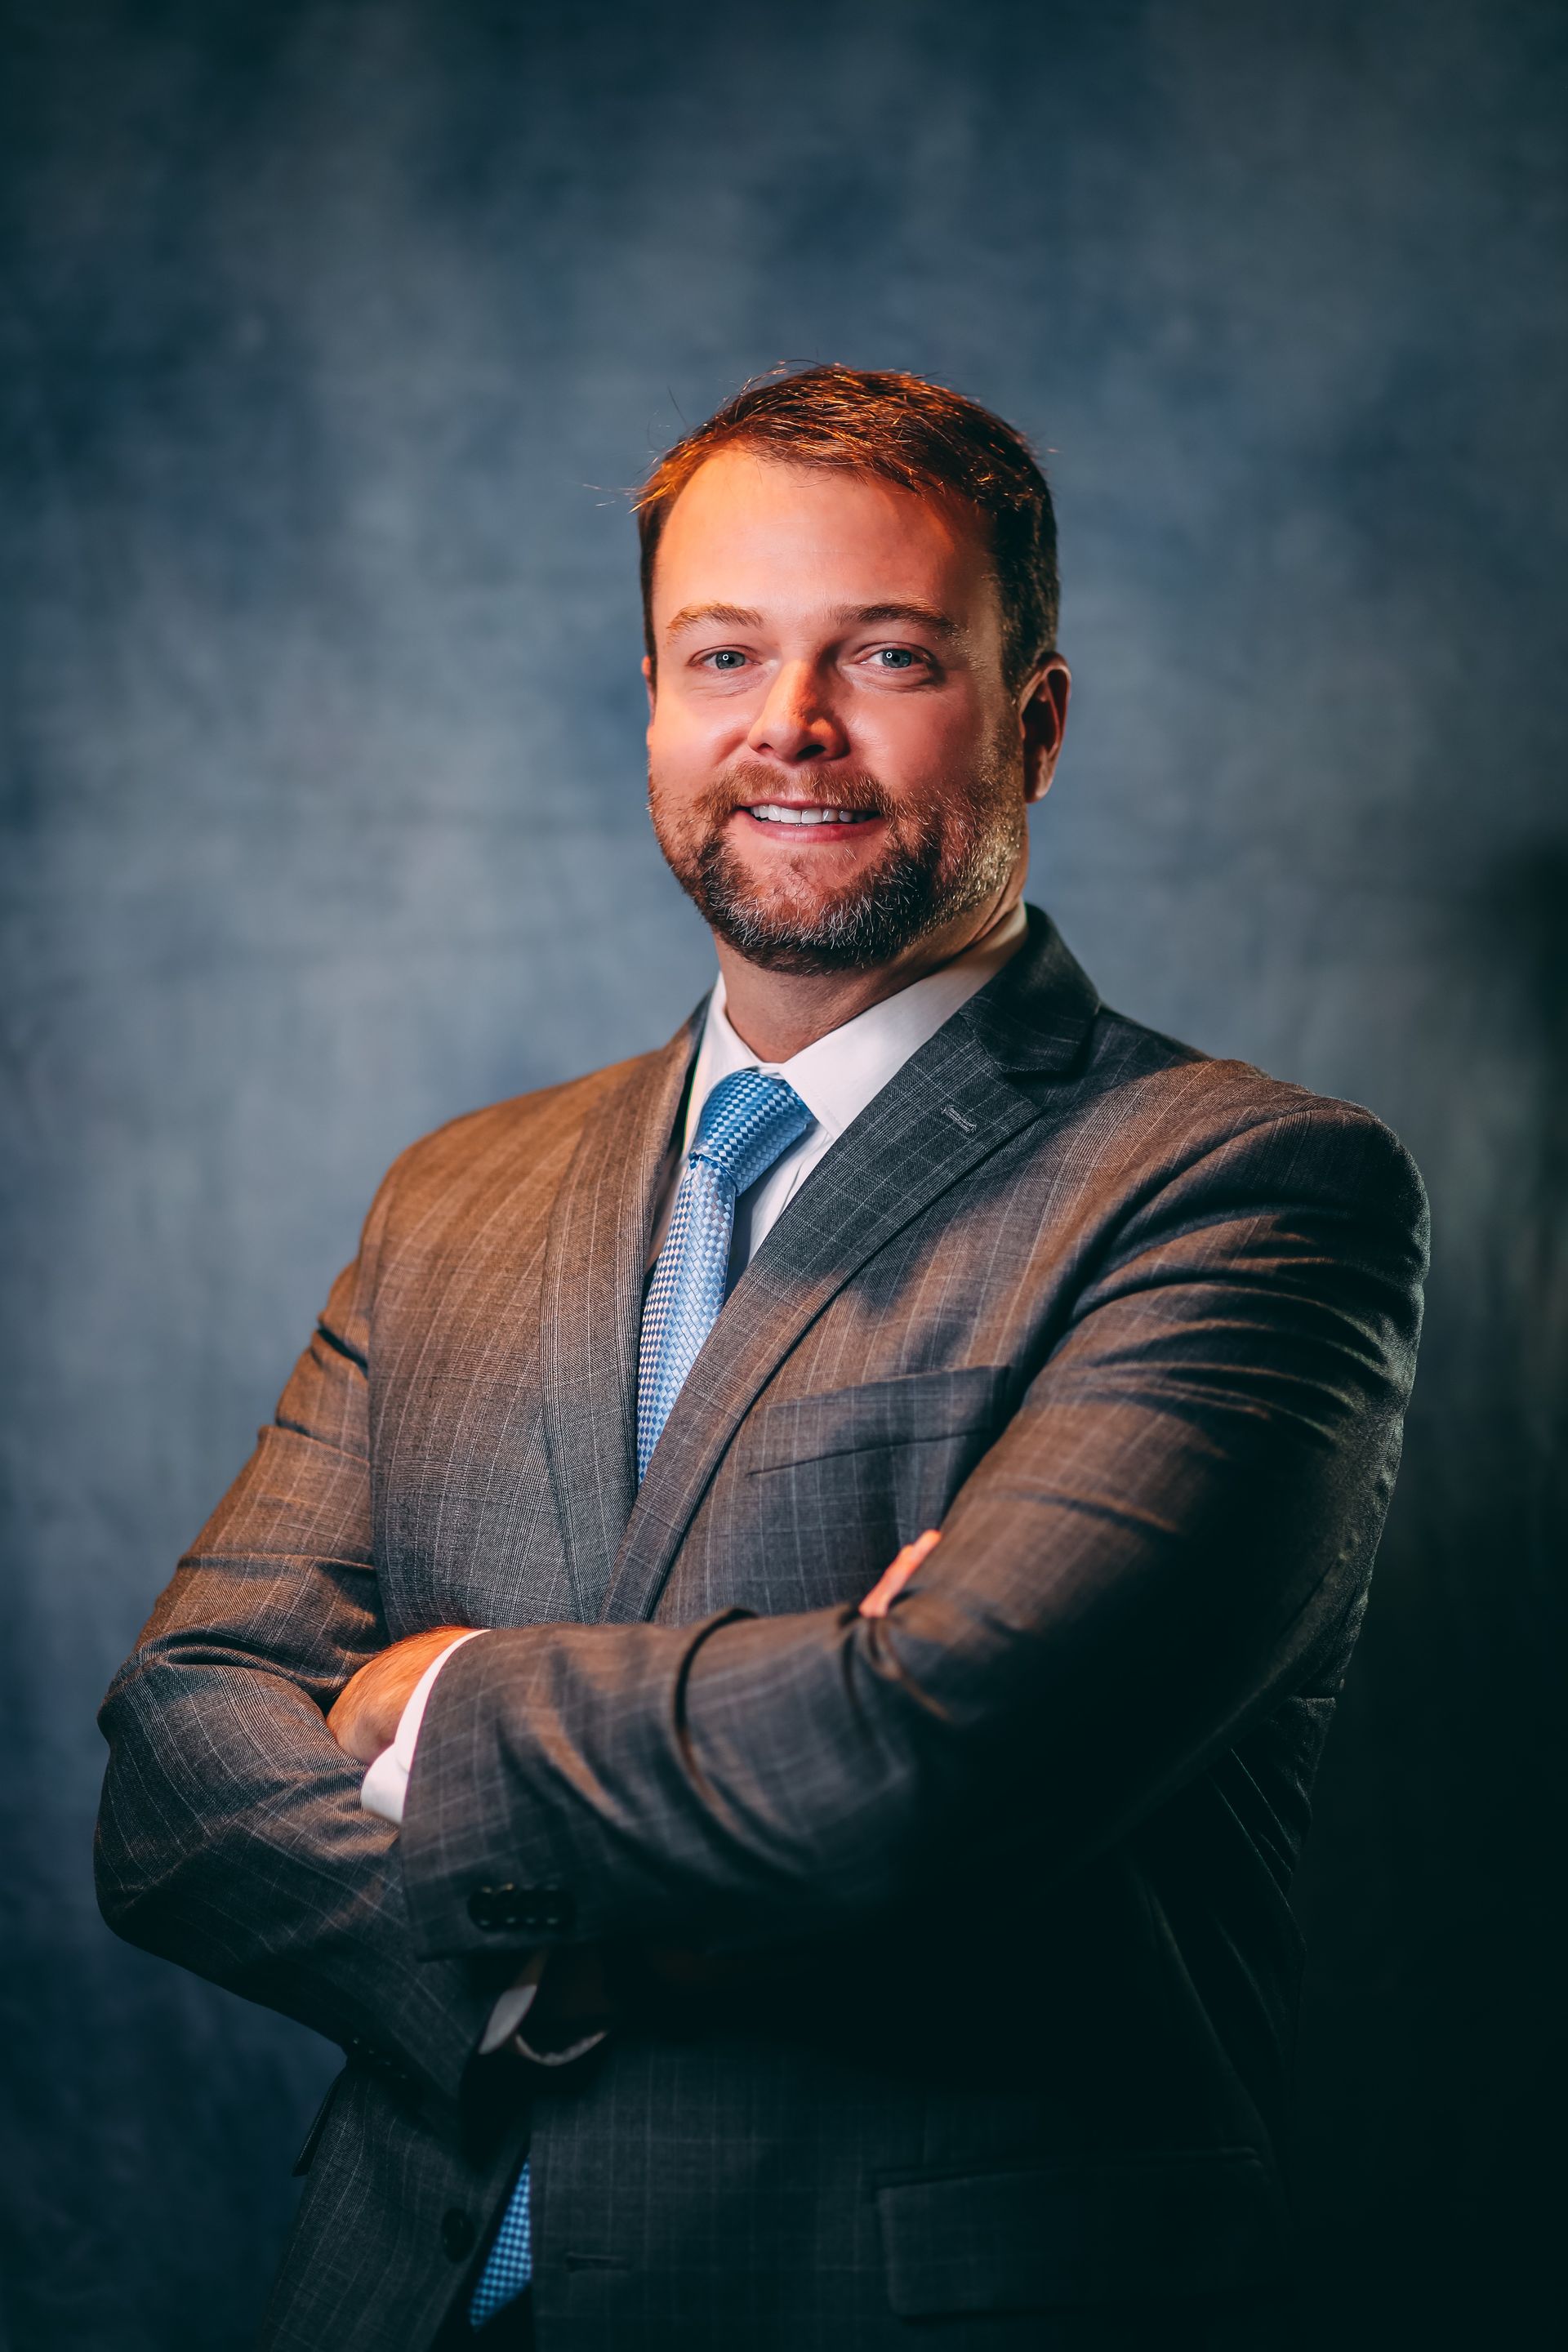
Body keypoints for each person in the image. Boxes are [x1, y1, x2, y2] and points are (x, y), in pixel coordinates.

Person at [95, 365, 1428, 2352]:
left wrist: (434, 1701)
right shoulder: (456, 1193)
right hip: (400, 2298)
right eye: (725, 653)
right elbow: (179, 1767)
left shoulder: (1244, 1189)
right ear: (651, 700)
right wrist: (552, 1957)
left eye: (886, 655)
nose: (790, 729)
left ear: (1035, 720)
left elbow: (926, 1764)